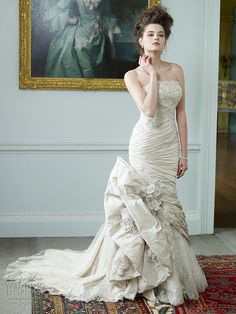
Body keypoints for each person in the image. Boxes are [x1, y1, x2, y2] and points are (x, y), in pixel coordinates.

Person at [3, 4, 207, 306]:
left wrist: (185, 154)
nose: (156, 39)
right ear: (140, 40)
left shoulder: (177, 71)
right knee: (143, 208)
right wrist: (150, 75)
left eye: (161, 35)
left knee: (167, 208)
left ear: (166, 39)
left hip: (168, 149)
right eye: (150, 34)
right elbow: (149, 110)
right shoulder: (132, 75)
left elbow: (182, 115)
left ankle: (166, 274)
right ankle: (134, 274)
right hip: (145, 146)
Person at [44, 0, 121, 78]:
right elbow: (57, 10)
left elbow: (108, 18)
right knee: (86, 71)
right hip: (81, 37)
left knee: (99, 72)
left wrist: (112, 45)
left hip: (99, 41)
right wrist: (71, 20)